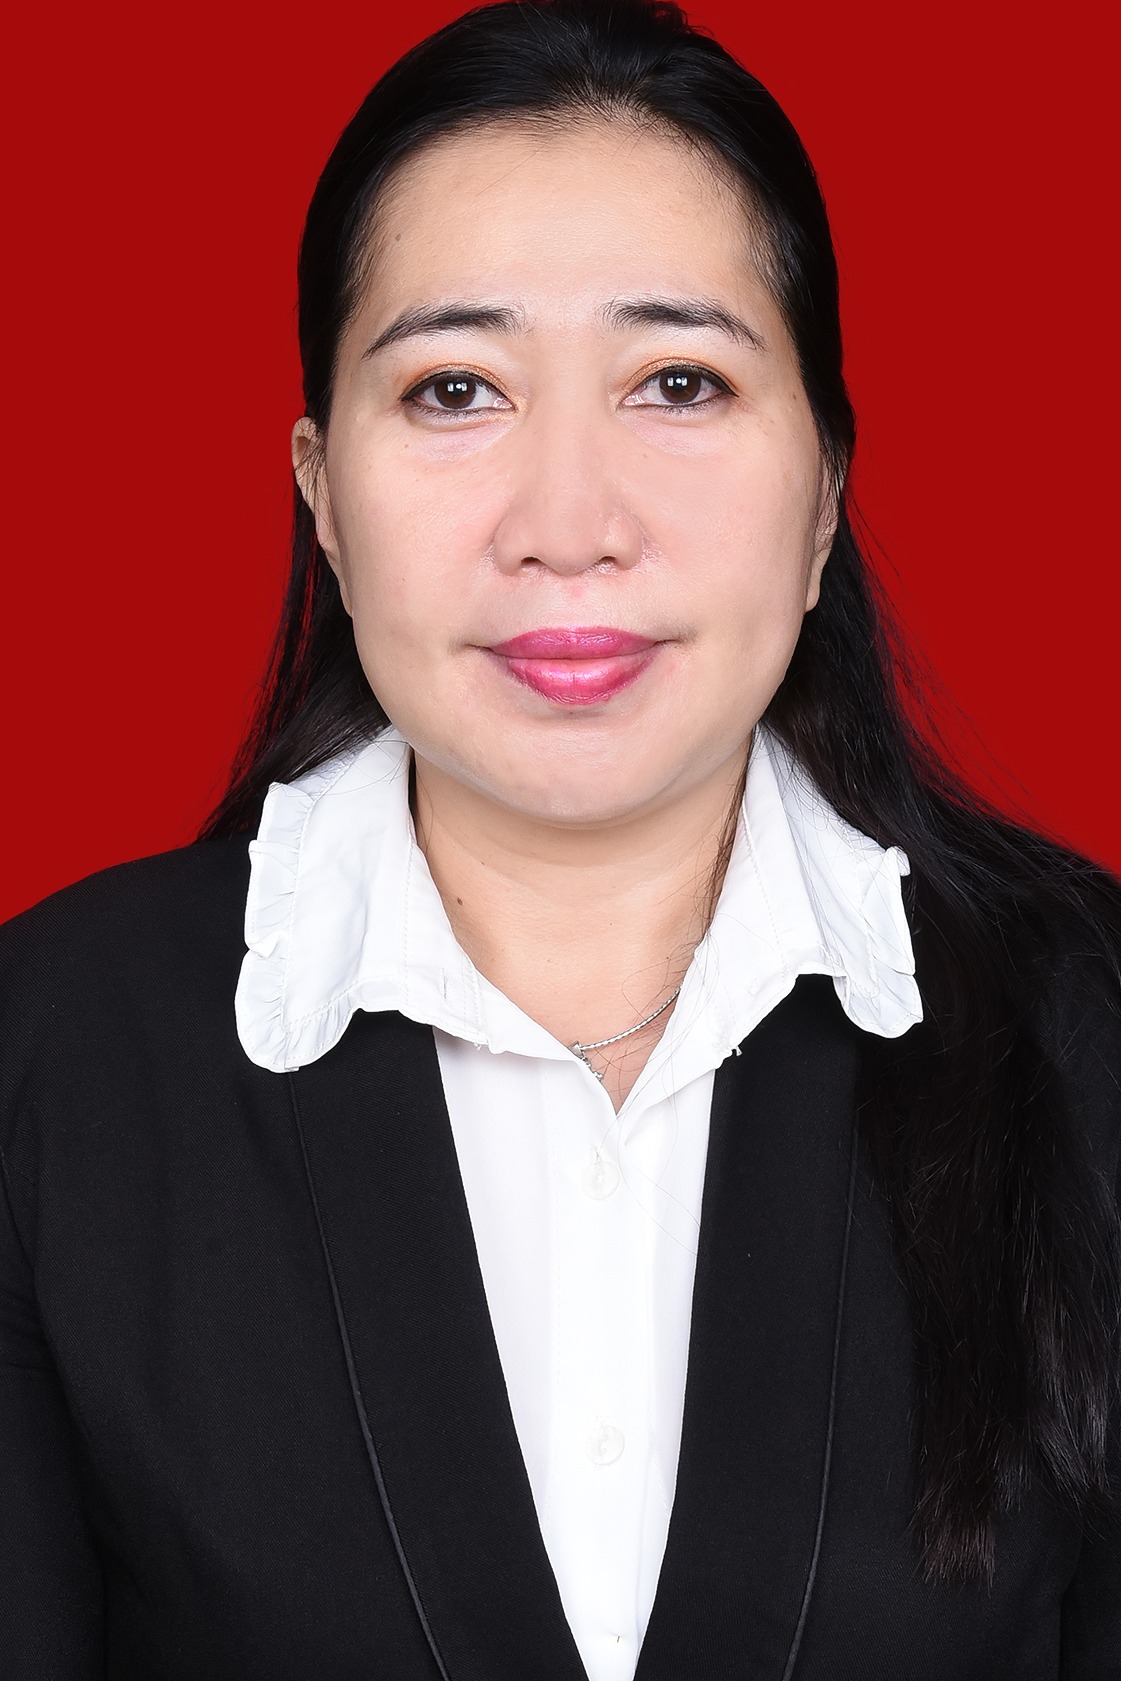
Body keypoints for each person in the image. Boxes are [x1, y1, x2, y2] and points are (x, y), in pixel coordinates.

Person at [2, 1, 1118, 1675]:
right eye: (455, 389)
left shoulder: (1086, 1026)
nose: (567, 524)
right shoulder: (53, 1053)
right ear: (322, 492)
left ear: (824, 488)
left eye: (678, 381)